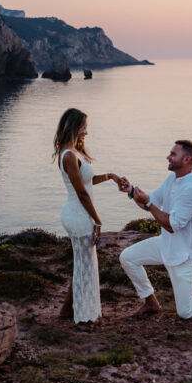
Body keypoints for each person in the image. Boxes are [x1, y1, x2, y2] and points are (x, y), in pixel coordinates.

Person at [117, 140, 192, 319]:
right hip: (166, 244)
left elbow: (171, 225)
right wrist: (131, 191)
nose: (168, 156)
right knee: (127, 257)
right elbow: (151, 202)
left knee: (186, 312)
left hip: (186, 255)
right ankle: (151, 302)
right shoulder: (173, 178)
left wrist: (149, 204)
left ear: (187, 159)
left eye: (173, 154)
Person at [53, 108, 123, 324]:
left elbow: (87, 182)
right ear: (74, 128)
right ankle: (84, 316)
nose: (86, 133)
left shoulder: (74, 153)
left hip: (79, 213)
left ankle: (66, 309)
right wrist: (98, 221)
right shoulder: (68, 156)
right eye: (84, 128)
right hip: (78, 215)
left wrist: (110, 176)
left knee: (82, 263)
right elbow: (82, 193)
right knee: (86, 266)